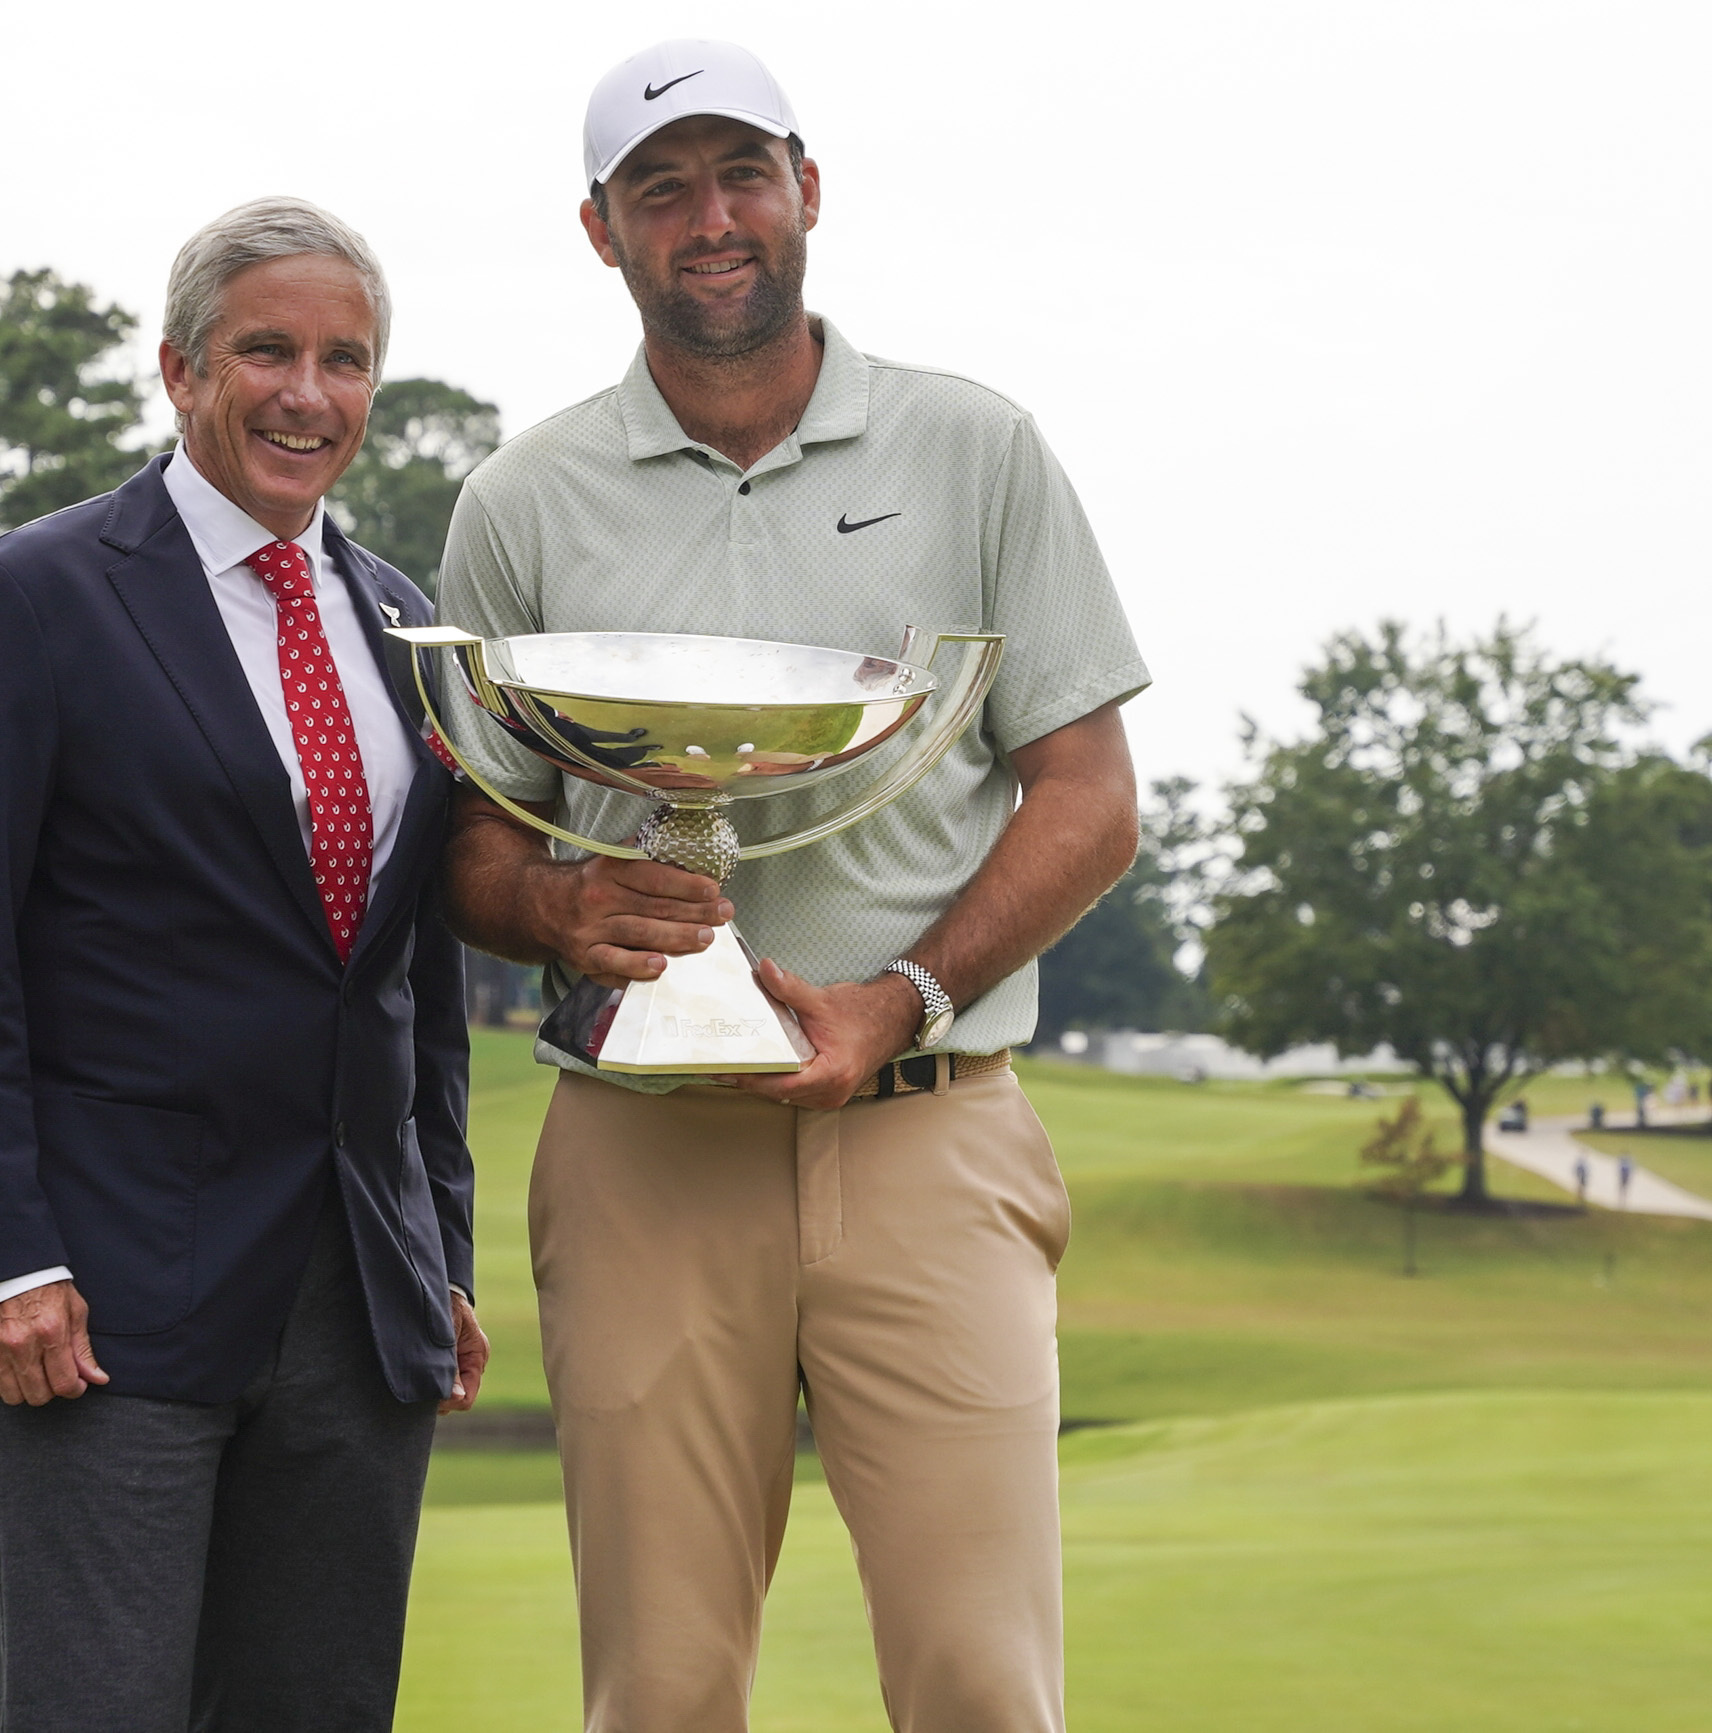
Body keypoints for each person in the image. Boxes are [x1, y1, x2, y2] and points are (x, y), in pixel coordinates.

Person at [438, 41, 1146, 1732]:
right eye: (661, 189)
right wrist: (550, 910)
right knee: (661, 1693)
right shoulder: (521, 496)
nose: (712, 219)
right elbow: (476, 834)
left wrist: (902, 994)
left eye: (741, 174)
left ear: (807, 189)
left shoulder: (977, 448)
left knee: (985, 1685)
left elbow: (1090, 798)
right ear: (599, 230)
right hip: (642, 1148)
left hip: (928, 1117)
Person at [0, 197, 486, 1733]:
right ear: (178, 368)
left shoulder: (410, 625)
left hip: (357, 1311)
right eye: (265, 350)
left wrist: (440, 1255)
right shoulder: (31, 599)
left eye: (345, 360)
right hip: (103, 1310)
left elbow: (411, 986)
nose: (306, 392)